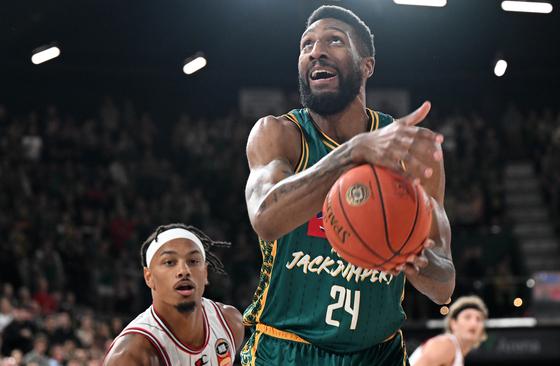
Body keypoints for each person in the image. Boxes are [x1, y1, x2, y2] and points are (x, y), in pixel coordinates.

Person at [241, 5, 455, 365]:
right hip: (285, 351)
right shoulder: (279, 135)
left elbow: (444, 284)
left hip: (378, 354)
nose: (316, 51)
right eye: (306, 44)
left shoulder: (411, 150)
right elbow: (265, 218)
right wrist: (352, 154)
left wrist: (413, 258)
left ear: (367, 65)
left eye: (334, 41)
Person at [104, 223, 244, 366]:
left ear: (205, 273)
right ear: (149, 277)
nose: (184, 270)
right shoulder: (131, 355)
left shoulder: (231, 322)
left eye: (193, 261)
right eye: (170, 262)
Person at [409, 296, 488, 366]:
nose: (474, 323)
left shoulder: (457, 354)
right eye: (467, 317)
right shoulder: (446, 344)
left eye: (479, 319)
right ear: (453, 323)